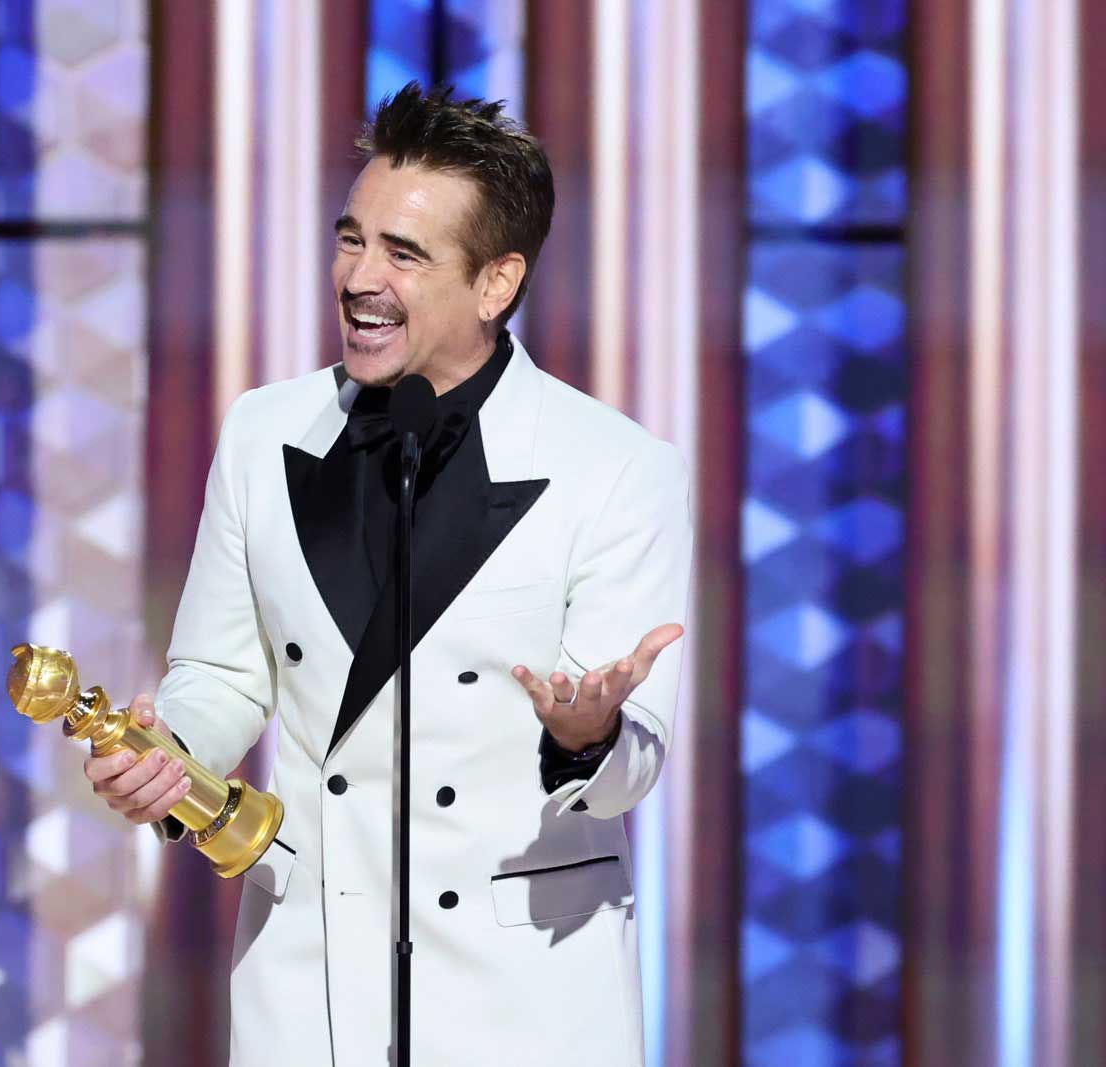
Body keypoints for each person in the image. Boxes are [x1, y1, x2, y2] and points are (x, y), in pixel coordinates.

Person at [84, 83, 692, 1066]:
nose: (359, 278)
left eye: (403, 254)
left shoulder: (616, 467)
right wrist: (173, 752)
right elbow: (223, 672)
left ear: (495, 283)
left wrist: (588, 735)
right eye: (350, 239)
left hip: (524, 992)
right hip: (311, 973)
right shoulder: (264, 433)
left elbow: (634, 766)